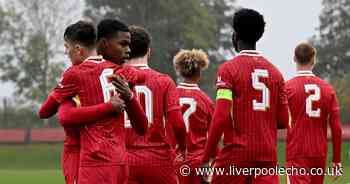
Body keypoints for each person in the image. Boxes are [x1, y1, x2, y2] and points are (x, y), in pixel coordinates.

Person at [39, 19, 148, 184]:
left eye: (66, 48)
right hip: (119, 161)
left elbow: (46, 112)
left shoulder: (74, 74)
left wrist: (64, 95)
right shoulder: (121, 71)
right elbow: (142, 77)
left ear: (77, 49)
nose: (65, 53)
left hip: (90, 159)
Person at [201, 8, 289, 184]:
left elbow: (221, 117)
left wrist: (207, 156)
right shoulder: (276, 74)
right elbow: (283, 120)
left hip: (235, 157)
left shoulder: (228, 70)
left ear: (235, 35)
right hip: (267, 159)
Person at [125, 25, 187, 184]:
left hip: (123, 159)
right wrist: (182, 146)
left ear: (126, 50)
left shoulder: (114, 80)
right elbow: (178, 123)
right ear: (149, 51)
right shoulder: (164, 81)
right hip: (158, 159)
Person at [285, 42, 342, 184]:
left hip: (297, 152)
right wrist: (336, 161)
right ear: (313, 60)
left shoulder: (287, 88)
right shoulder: (328, 89)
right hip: (319, 153)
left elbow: (277, 120)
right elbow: (336, 128)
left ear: (294, 59)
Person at [173, 49, 214, 184]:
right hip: (198, 162)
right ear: (199, 73)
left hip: (174, 160)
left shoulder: (170, 96)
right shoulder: (206, 101)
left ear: (180, 71)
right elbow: (214, 136)